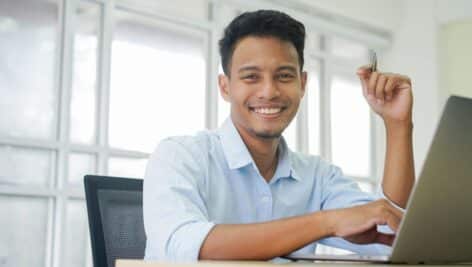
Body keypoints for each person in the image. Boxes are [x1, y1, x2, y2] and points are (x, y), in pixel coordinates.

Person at [143, 10, 415, 262]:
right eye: (251, 77)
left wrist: (397, 124)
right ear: (225, 87)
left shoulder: (318, 177)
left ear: (303, 83)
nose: (269, 91)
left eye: (284, 76)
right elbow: (184, 246)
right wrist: (326, 222)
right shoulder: (179, 156)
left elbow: (390, 231)